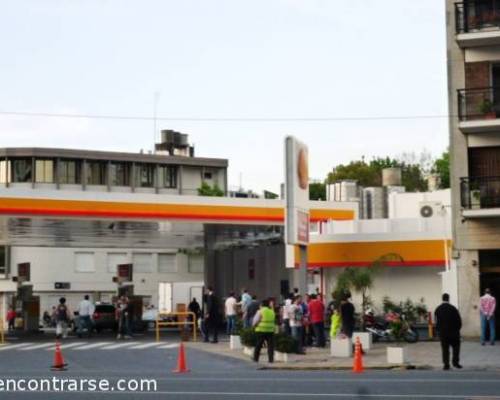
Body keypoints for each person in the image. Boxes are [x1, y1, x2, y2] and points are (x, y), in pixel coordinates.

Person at [435, 293, 462, 370]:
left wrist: (438, 331)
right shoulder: (453, 308)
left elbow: (437, 322)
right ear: (448, 299)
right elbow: (459, 321)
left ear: (442, 299)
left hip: (443, 333)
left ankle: (446, 364)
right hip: (454, 333)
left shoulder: (438, 309)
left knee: (445, 349)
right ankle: (455, 362)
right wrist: (457, 330)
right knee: (456, 347)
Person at [252, 299, 276, 363]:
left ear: (262, 305)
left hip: (261, 330)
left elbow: (255, 321)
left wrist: (254, 326)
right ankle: (271, 360)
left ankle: (255, 358)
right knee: (270, 346)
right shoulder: (272, 311)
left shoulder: (260, 311)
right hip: (270, 331)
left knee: (258, 345)